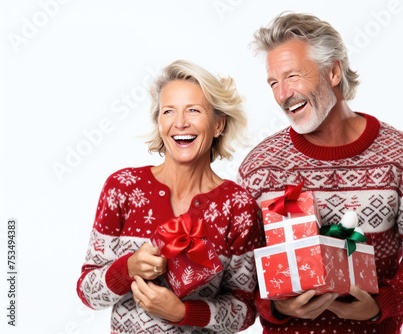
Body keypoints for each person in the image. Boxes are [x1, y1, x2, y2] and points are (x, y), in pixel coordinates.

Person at [237, 12, 403, 334]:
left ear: (334, 71)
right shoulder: (260, 166)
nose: (282, 94)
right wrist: (275, 305)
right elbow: (238, 265)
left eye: (293, 76)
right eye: (273, 82)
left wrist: (385, 302)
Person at [76, 59, 264, 333]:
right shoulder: (123, 188)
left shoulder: (238, 206)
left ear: (218, 125)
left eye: (194, 110)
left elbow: (245, 309)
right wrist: (128, 268)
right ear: (159, 123)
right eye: (168, 112)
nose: (180, 123)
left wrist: (183, 312)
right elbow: (87, 292)